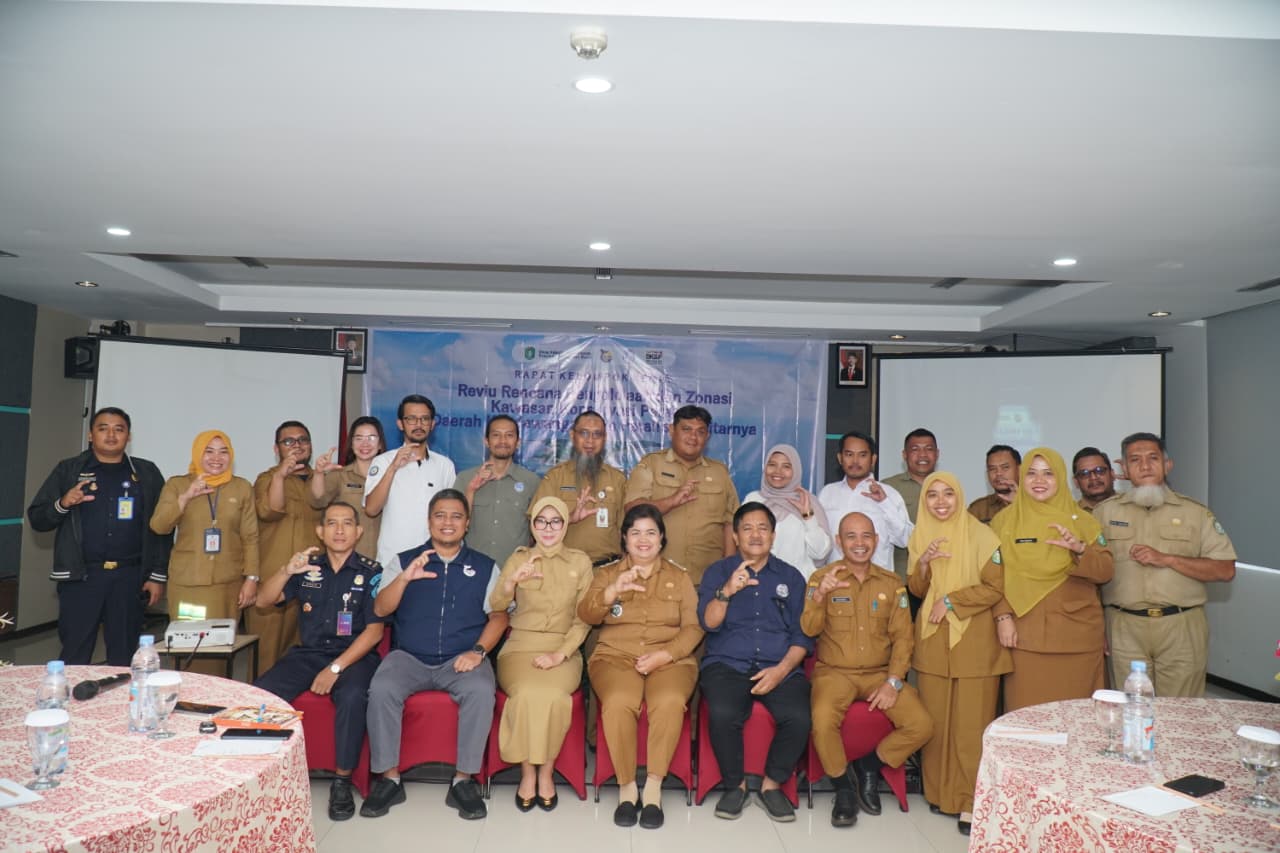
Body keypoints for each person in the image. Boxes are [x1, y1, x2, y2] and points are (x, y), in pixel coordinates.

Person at [360, 489, 506, 821]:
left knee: (481, 690)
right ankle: (389, 779)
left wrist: (478, 652)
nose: (447, 522)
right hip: (409, 657)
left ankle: (463, 781)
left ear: (467, 523)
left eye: (456, 516)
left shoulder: (485, 566)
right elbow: (380, 608)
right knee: (381, 688)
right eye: (440, 515)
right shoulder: (404, 560)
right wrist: (404, 579)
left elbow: (499, 616)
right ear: (429, 521)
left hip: (460, 658)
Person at [253, 501, 385, 821]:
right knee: (262, 694)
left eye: (347, 523)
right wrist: (287, 570)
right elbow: (263, 601)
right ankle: (261, 774)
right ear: (320, 531)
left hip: (354, 656)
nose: (339, 530)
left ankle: (342, 782)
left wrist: (335, 668)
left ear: (358, 531)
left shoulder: (371, 572)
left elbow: (375, 632)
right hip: (309, 653)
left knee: (353, 696)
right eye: (332, 523)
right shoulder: (306, 568)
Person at [803, 512, 933, 828]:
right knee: (822, 719)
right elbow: (808, 629)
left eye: (866, 536)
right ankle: (843, 787)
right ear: (839, 541)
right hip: (835, 672)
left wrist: (893, 681)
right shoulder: (822, 578)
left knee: (922, 725)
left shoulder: (892, 583)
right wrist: (819, 596)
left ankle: (868, 765)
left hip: (880, 674)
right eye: (851, 536)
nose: (859, 543)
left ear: (876, 540)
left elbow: (903, 639)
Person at [577, 504, 703, 830]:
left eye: (650, 533)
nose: (643, 540)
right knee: (619, 701)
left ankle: (653, 789)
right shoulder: (607, 574)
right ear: (624, 538)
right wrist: (611, 592)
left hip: (670, 659)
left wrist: (666, 655)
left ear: (661, 538)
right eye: (635, 533)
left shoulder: (680, 577)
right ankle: (627, 787)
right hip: (615, 656)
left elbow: (694, 628)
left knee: (669, 701)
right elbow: (587, 614)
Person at [906, 473, 1011, 836]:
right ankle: (939, 794)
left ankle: (970, 800)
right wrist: (924, 563)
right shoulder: (920, 535)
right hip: (933, 638)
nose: (940, 502)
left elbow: (995, 588)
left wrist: (951, 600)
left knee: (970, 727)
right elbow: (916, 588)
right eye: (932, 495)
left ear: (960, 496)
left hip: (974, 639)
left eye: (948, 494)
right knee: (936, 724)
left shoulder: (984, 536)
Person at [1095, 432, 1236, 697]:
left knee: (1181, 711)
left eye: (1153, 458)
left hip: (1181, 626)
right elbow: (1091, 575)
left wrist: (1168, 559)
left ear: (1167, 465)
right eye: (1135, 460)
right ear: (1124, 469)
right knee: (1132, 709)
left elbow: (1225, 569)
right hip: (1123, 627)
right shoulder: (1104, 513)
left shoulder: (1195, 513)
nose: (1145, 466)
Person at [697, 502, 812, 823]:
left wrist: (781, 671)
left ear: (773, 536)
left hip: (779, 663)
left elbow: (802, 636)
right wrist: (727, 591)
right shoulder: (718, 572)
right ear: (735, 536)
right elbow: (708, 623)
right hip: (727, 662)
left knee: (799, 718)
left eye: (763, 528)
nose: (755, 535)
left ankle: (772, 785)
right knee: (723, 713)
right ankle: (735, 785)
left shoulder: (791, 577)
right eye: (747, 528)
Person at [27, 407, 170, 665]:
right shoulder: (69, 470)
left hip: (130, 578)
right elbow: (38, 518)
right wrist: (63, 503)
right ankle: (72, 693)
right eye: (103, 428)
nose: (111, 435)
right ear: (91, 435)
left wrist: (157, 575)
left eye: (119, 429)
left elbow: (162, 526)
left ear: (128, 436)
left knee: (125, 656)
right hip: (81, 577)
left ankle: (122, 693)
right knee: (75, 653)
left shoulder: (146, 473)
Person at [489, 497, 593, 812]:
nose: (548, 528)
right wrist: (511, 582)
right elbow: (496, 606)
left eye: (555, 521)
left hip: (564, 650)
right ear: (532, 525)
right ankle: (527, 774)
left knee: (552, 696)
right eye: (541, 521)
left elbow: (584, 619)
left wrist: (560, 655)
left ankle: (545, 773)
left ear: (565, 524)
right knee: (525, 694)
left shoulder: (580, 562)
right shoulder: (519, 558)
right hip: (519, 648)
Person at [991, 448, 1113, 711]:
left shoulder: (1084, 522)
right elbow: (992, 576)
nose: (1039, 480)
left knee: (1077, 720)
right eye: (1031, 473)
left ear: (1060, 478)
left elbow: (1105, 571)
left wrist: (1080, 550)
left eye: (1048, 473)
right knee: (1027, 720)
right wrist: (1002, 617)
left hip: (1077, 640)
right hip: (1024, 636)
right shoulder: (1003, 523)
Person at [149, 431, 259, 659]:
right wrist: (185, 497)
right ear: (198, 453)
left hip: (228, 585)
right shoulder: (177, 484)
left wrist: (251, 578)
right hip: (188, 584)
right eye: (209, 451)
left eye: (223, 452)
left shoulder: (242, 487)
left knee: (221, 648)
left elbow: (250, 536)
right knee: (188, 648)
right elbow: (159, 526)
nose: (216, 458)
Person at [624, 405, 739, 584]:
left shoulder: (719, 472)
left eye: (700, 432)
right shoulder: (652, 464)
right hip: (657, 578)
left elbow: (730, 523)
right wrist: (671, 501)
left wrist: (728, 570)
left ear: (707, 436)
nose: (693, 437)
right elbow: (632, 510)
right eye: (686, 429)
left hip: (707, 579)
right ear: (672, 430)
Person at [250, 420, 322, 671]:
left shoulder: (321, 479)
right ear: (276, 448)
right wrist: (281, 475)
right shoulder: (267, 478)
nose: (296, 446)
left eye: (303, 440)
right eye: (288, 441)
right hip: (275, 580)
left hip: (312, 581)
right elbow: (270, 510)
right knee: (266, 657)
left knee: (306, 655)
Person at [364, 395, 456, 569]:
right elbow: (371, 509)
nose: (419, 424)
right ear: (400, 424)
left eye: (424, 419)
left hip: (433, 560)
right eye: (411, 419)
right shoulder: (383, 461)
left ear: (432, 424)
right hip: (392, 560)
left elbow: (451, 513)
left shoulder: (445, 465)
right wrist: (393, 467)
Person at [528, 410, 627, 565]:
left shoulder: (617, 479)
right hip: (563, 569)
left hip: (607, 569)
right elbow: (536, 526)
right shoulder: (555, 477)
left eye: (597, 434)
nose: (590, 441)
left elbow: (628, 530)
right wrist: (569, 518)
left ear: (605, 438)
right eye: (584, 433)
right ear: (572, 435)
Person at [817, 431, 912, 572]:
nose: (855, 461)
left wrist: (884, 502)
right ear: (840, 458)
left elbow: (905, 540)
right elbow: (819, 545)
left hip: (877, 581)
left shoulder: (889, 494)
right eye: (849, 454)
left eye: (862, 455)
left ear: (873, 459)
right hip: (836, 579)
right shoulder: (827, 493)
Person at [455, 415, 541, 567]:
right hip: (471, 567)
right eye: (496, 435)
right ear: (486, 441)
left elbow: (537, 530)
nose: (503, 441)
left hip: (515, 568)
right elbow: (455, 524)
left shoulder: (531, 481)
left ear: (518, 442)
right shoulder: (465, 478)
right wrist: (471, 490)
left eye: (509, 435)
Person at [742, 444, 831, 579]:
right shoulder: (753, 499)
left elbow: (820, 553)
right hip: (757, 582)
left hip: (797, 584)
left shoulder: (808, 502)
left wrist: (808, 517)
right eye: (772, 465)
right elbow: (742, 544)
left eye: (786, 466)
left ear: (796, 470)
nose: (778, 471)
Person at [309, 416, 386, 559]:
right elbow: (317, 501)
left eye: (371, 438)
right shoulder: (340, 475)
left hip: (386, 556)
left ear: (380, 443)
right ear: (351, 443)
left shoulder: (391, 476)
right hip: (350, 559)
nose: (365, 443)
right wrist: (319, 473)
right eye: (359, 438)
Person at [882, 428, 939, 582]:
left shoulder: (948, 486)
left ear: (937, 454)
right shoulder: (888, 488)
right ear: (904, 455)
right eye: (915, 449)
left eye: (928, 449)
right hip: (902, 576)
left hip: (941, 575)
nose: (922, 455)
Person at [967, 445, 1021, 524]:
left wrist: (1020, 503)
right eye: (992, 469)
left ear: (1019, 470)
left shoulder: (1034, 503)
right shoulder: (977, 509)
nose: (998, 473)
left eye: (1005, 467)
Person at [1071, 446, 1117, 512]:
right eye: (1084, 474)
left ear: (1112, 474)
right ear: (1076, 482)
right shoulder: (1068, 515)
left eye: (1100, 470)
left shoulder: (1131, 506)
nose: (1093, 477)